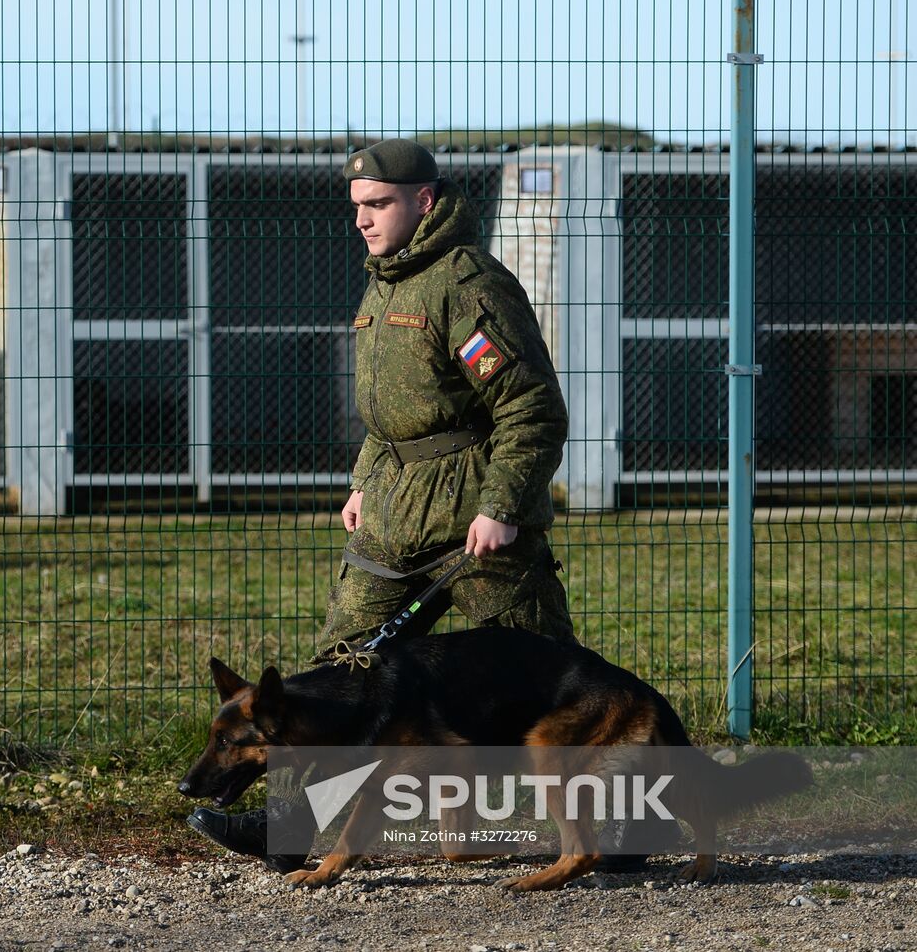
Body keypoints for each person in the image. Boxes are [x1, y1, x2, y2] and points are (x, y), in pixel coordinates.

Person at [186, 139, 655, 873]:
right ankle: (288, 829)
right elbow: (391, 413)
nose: (362, 222)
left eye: (377, 206)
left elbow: (531, 408)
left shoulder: (469, 283)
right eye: (356, 208)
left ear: (424, 202)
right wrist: (365, 477)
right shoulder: (385, 282)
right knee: (336, 686)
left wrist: (502, 504)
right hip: (394, 516)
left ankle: (626, 830)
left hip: (476, 523)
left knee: (546, 677)